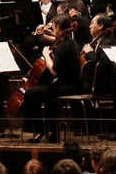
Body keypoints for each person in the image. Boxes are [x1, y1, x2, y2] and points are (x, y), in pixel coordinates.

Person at [22, 13, 82, 143]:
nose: (53, 30)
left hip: (68, 86)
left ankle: (40, 128)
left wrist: (46, 54)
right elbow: (55, 39)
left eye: (54, 27)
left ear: (59, 28)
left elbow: (54, 71)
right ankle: (52, 132)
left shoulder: (63, 46)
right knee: (50, 97)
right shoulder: (70, 41)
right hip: (72, 83)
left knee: (31, 93)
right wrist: (43, 35)